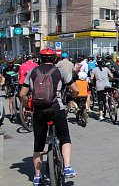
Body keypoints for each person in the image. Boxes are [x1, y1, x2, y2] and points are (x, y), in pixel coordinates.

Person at [19, 48, 80, 186]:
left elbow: (22, 93)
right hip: (56, 109)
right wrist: (71, 98)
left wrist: (28, 107)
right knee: (65, 138)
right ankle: (67, 167)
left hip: (39, 111)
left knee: (38, 145)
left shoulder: (33, 72)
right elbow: (75, 89)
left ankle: (37, 176)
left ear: (40, 59)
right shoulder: (60, 72)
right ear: (54, 59)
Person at [2, 56, 19, 121]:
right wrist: (3, 84)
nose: (10, 64)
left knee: (21, 98)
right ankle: (12, 114)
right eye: (9, 63)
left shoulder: (17, 67)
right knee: (10, 100)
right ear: (7, 63)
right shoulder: (5, 69)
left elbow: (20, 74)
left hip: (17, 83)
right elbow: (3, 77)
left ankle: (23, 114)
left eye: (12, 62)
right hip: (9, 85)